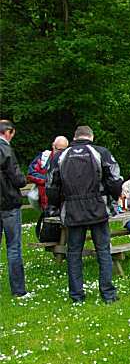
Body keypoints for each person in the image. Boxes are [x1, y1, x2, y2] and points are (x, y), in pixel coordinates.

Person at [46, 125, 124, 304]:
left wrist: (58, 204)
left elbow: (51, 185)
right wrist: (112, 199)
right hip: (97, 207)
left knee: (74, 253)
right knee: (103, 250)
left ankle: (76, 295)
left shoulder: (60, 156)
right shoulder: (101, 153)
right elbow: (115, 180)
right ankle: (108, 294)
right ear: (91, 136)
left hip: (72, 209)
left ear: (74, 137)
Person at [0, 120, 29, 298]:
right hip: (8, 202)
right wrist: (23, 180)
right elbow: (18, 178)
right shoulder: (6, 149)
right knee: (13, 247)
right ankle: (19, 290)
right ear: (9, 132)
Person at [27, 136, 69, 210]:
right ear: (53, 146)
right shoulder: (44, 158)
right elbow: (31, 174)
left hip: (65, 204)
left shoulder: (69, 159)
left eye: (64, 150)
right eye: (58, 149)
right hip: (45, 203)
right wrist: (48, 180)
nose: (61, 153)